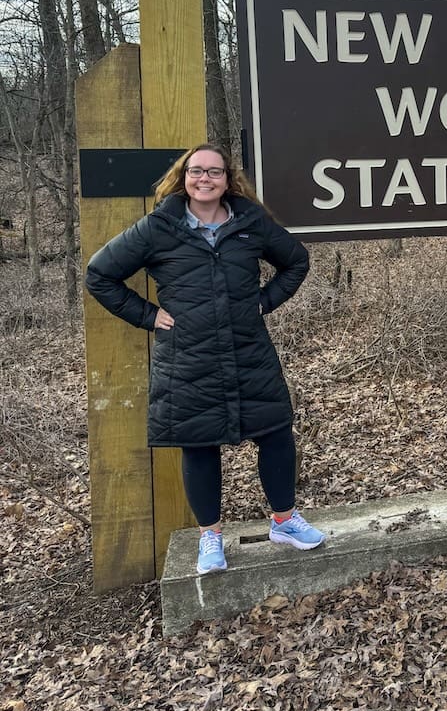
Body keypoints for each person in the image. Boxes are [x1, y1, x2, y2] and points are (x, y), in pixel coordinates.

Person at [85, 143, 326, 575]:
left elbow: (296, 261)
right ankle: (210, 537)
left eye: (215, 172)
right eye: (197, 171)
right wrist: (147, 314)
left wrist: (264, 302)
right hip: (187, 357)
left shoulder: (251, 222)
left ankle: (285, 522)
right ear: (184, 177)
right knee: (199, 444)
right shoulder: (159, 227)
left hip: (248, 350)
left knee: (275, 433)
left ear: (227, 180)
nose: (205, 179)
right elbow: (100, 274)